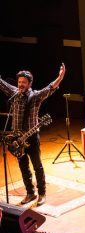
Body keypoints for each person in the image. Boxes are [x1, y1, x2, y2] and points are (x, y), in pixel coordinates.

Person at [0, 63, 66, 206]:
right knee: (23, 167)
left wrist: (60, 77)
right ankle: (30, 193)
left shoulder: (35, 96)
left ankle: (42, 193)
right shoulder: (14, 94)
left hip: (31, 137)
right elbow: (2, 84)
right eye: (19, 82)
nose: (20, 85)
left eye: (24, 82)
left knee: (37, 166)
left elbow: (50, 88)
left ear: (29, 84)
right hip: (17, 139)